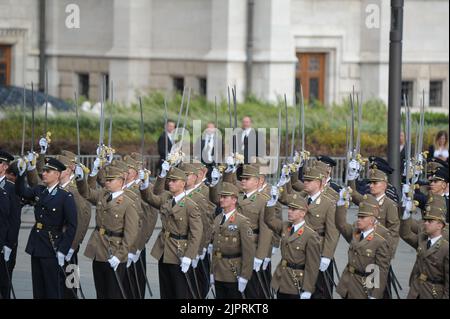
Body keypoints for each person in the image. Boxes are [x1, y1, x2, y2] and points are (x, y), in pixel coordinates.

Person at [15, 157, 77, 299]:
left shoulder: (65, 196)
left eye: (48, 171)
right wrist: (21, 174)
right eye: (43, 171)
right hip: (37, 244)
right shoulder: (39, 190)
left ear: (57, 174)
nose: (44, 173)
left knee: (52, 289)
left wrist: (63, 250)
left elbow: (72, 225)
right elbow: (21, 192)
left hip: (52, 245)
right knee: (38, 288)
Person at [76, 165, 139, 299]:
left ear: (121, 181)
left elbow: (131, 234)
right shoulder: (102, 195)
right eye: (107, 180)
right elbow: (86, 193)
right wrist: (81, 178)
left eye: (111, 180)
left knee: (113, 293)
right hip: (98, 249)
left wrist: (120, 256)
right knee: (101, 292)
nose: (107, 182)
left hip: (114, 251)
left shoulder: (128, 203)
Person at [139, 166, 203, 299]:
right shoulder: (166, 198)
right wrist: (145, 184)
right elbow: (150, 198)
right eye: (170, 180)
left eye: (174, 181)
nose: (170, 183)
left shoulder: (190, 205)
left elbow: (196, 234)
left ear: (183, 183)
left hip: (179, 252)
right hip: (164, 250)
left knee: (180, 291)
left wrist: (189, 256)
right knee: (166, 290)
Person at [265, 192, 321, 299]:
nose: (289, 212)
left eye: (294, 209)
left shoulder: (310, 235)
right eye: (289, 208)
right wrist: (271, 202)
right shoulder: (285, 226)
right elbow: (269, 220)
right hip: (281, 278)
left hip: (296, 282)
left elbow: (312, 265)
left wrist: (308, 289)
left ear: (303, 213)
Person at [335, 192, 390, 299]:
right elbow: (340, 224)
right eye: (359, 216)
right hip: (347, 283)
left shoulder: (379, 240)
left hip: (363, 286)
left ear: (372, 219)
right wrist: (341, 204)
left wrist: (375, 295)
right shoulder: (355, 232)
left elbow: (381, 270)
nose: (359, 219)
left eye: (363, 217)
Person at [210, 182, 255, 299]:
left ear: (234, 200)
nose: (221, 199)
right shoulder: (218, 219)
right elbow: (215, 248)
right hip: (218, 270)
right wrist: (211, 271)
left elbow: (248, 252)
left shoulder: (242, 222)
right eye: (221, 197)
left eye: (225, 197)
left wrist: (245, 276)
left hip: (233, 271)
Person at [400, 194, 449, 299]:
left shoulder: (446, 246)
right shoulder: (423, 240)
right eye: (425, 220)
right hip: (416, 290)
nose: (425, 223)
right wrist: (406, 213)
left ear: (440, 225)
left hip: (433, 292)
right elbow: (406, 234)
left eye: (430, 221)